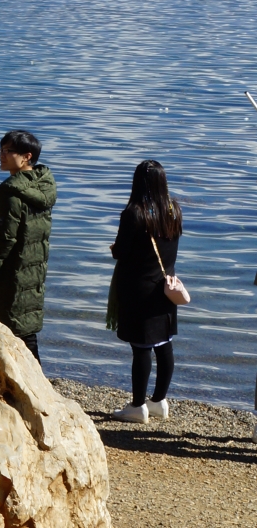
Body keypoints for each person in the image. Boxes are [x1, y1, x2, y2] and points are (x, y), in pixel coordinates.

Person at [0, 128, 57, 366]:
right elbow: (22, 216)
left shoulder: (11, 192)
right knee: (25, 330)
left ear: (26, 156)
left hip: (9, 274)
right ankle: (38, 388)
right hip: (30, 271)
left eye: (8, 151)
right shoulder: (40, 184)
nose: (2, 155)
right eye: (1, 149)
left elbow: (5, 238)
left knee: (9, 331)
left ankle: (31, 390)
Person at [111, 158, 182, 423]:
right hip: (166, 284)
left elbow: (121, 251)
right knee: (164, 345)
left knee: (141, 348)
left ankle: (138, 406)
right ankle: (159, 401)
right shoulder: (174, 209)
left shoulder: (134, 212)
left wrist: (115, 249)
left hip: (138, 286)